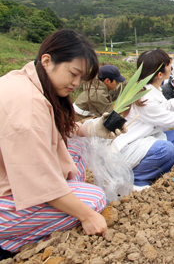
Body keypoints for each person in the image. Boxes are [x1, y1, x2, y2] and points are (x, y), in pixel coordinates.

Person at [0, 29, 125, 256]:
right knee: (94, 200)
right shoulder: (26, 105)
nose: (76, 83)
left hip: (13, 175)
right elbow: (37, 179)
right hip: (7, 201)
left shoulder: (30, 81)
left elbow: (57, 130)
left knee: (78, 145)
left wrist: (91, 129)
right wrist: (87, 215)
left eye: (81, 78)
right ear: (47, 61)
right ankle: (11, 246)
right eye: (73, 74)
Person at [113, 49, 174, 191]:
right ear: (159, 74)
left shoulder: (150, 89)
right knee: (166, 149)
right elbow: (171, 120)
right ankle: (137, 179)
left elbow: (164, 106)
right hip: (130, 146)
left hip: (144, 139)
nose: (171, 68)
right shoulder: (145, 98)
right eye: (169, 65)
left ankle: (159, 173)